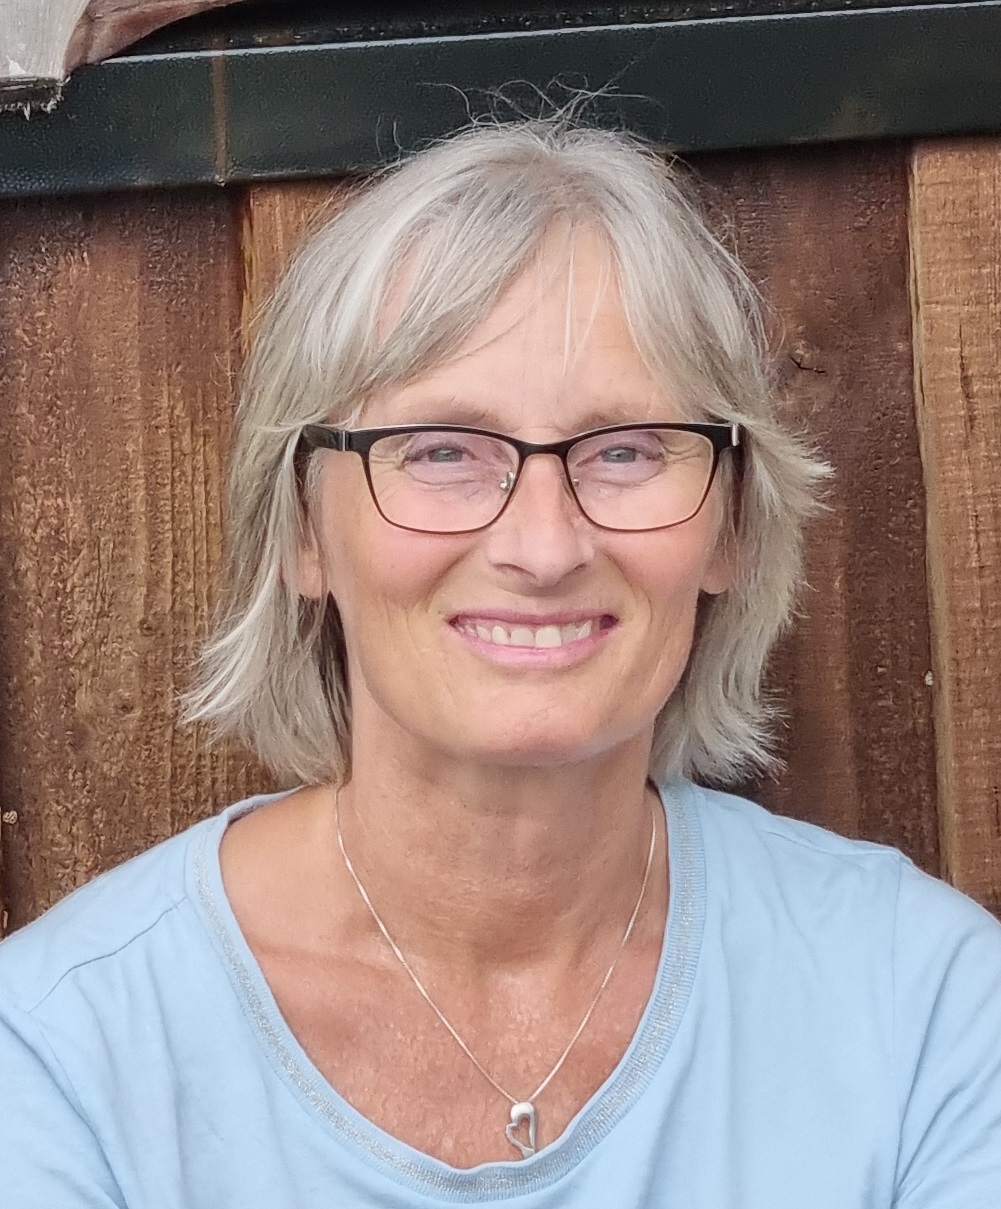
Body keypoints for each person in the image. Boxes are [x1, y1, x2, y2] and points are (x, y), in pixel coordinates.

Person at [3, 118, 1000, 1208]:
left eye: (624, 449)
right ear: (301, 528)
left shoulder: (922, 1005)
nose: (542, 545)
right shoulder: (63, 1054)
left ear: (729, 528)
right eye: (440, 450)